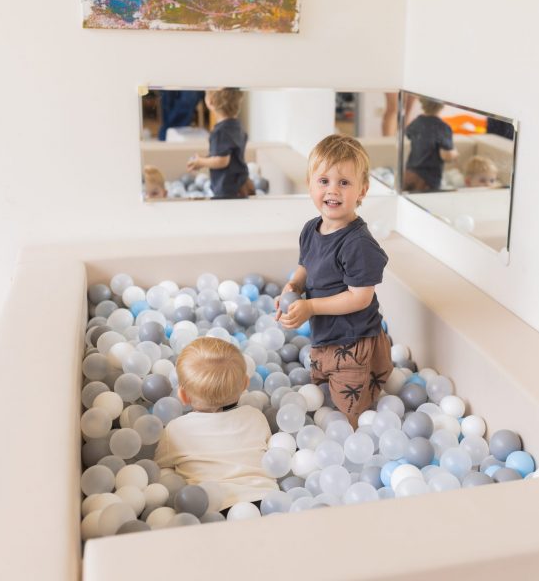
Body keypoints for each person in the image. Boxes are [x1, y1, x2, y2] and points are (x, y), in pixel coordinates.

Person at [276, 135, 392, 428]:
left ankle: (356, 437)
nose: (333, 191)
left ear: (362, 191)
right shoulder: (311, 229)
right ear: (310, 185)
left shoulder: (358, 244)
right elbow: (305, 265)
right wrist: (293, 287)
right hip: (325, 338)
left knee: (350, 411)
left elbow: (360, 297)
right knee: (321, 388)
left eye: (344, 183)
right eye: (324, 181)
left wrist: (310, 307)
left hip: (353, 342)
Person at [154, 337, 277, 511]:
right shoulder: (255, 417)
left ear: (183, 395)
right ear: (245, 383)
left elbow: (160, 467)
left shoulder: (175, 430)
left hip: (214, 509)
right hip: (268, 502)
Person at [187, 88, 250, 198]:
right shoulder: (237, 126)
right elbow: (226, 154)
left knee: (224, 212)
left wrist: (201, 162)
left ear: (210, 101)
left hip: (226, 185)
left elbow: (222, 161)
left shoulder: (220, 131)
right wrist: (204, 159)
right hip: (240, 181)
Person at [403, 97, 458, 192]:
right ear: (442, 105)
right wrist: (455, 153)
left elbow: (408, 133)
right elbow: (446, 155)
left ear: (422, 103)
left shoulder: (416, 122)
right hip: (429, 178)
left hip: (409, 172)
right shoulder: (443, 127)